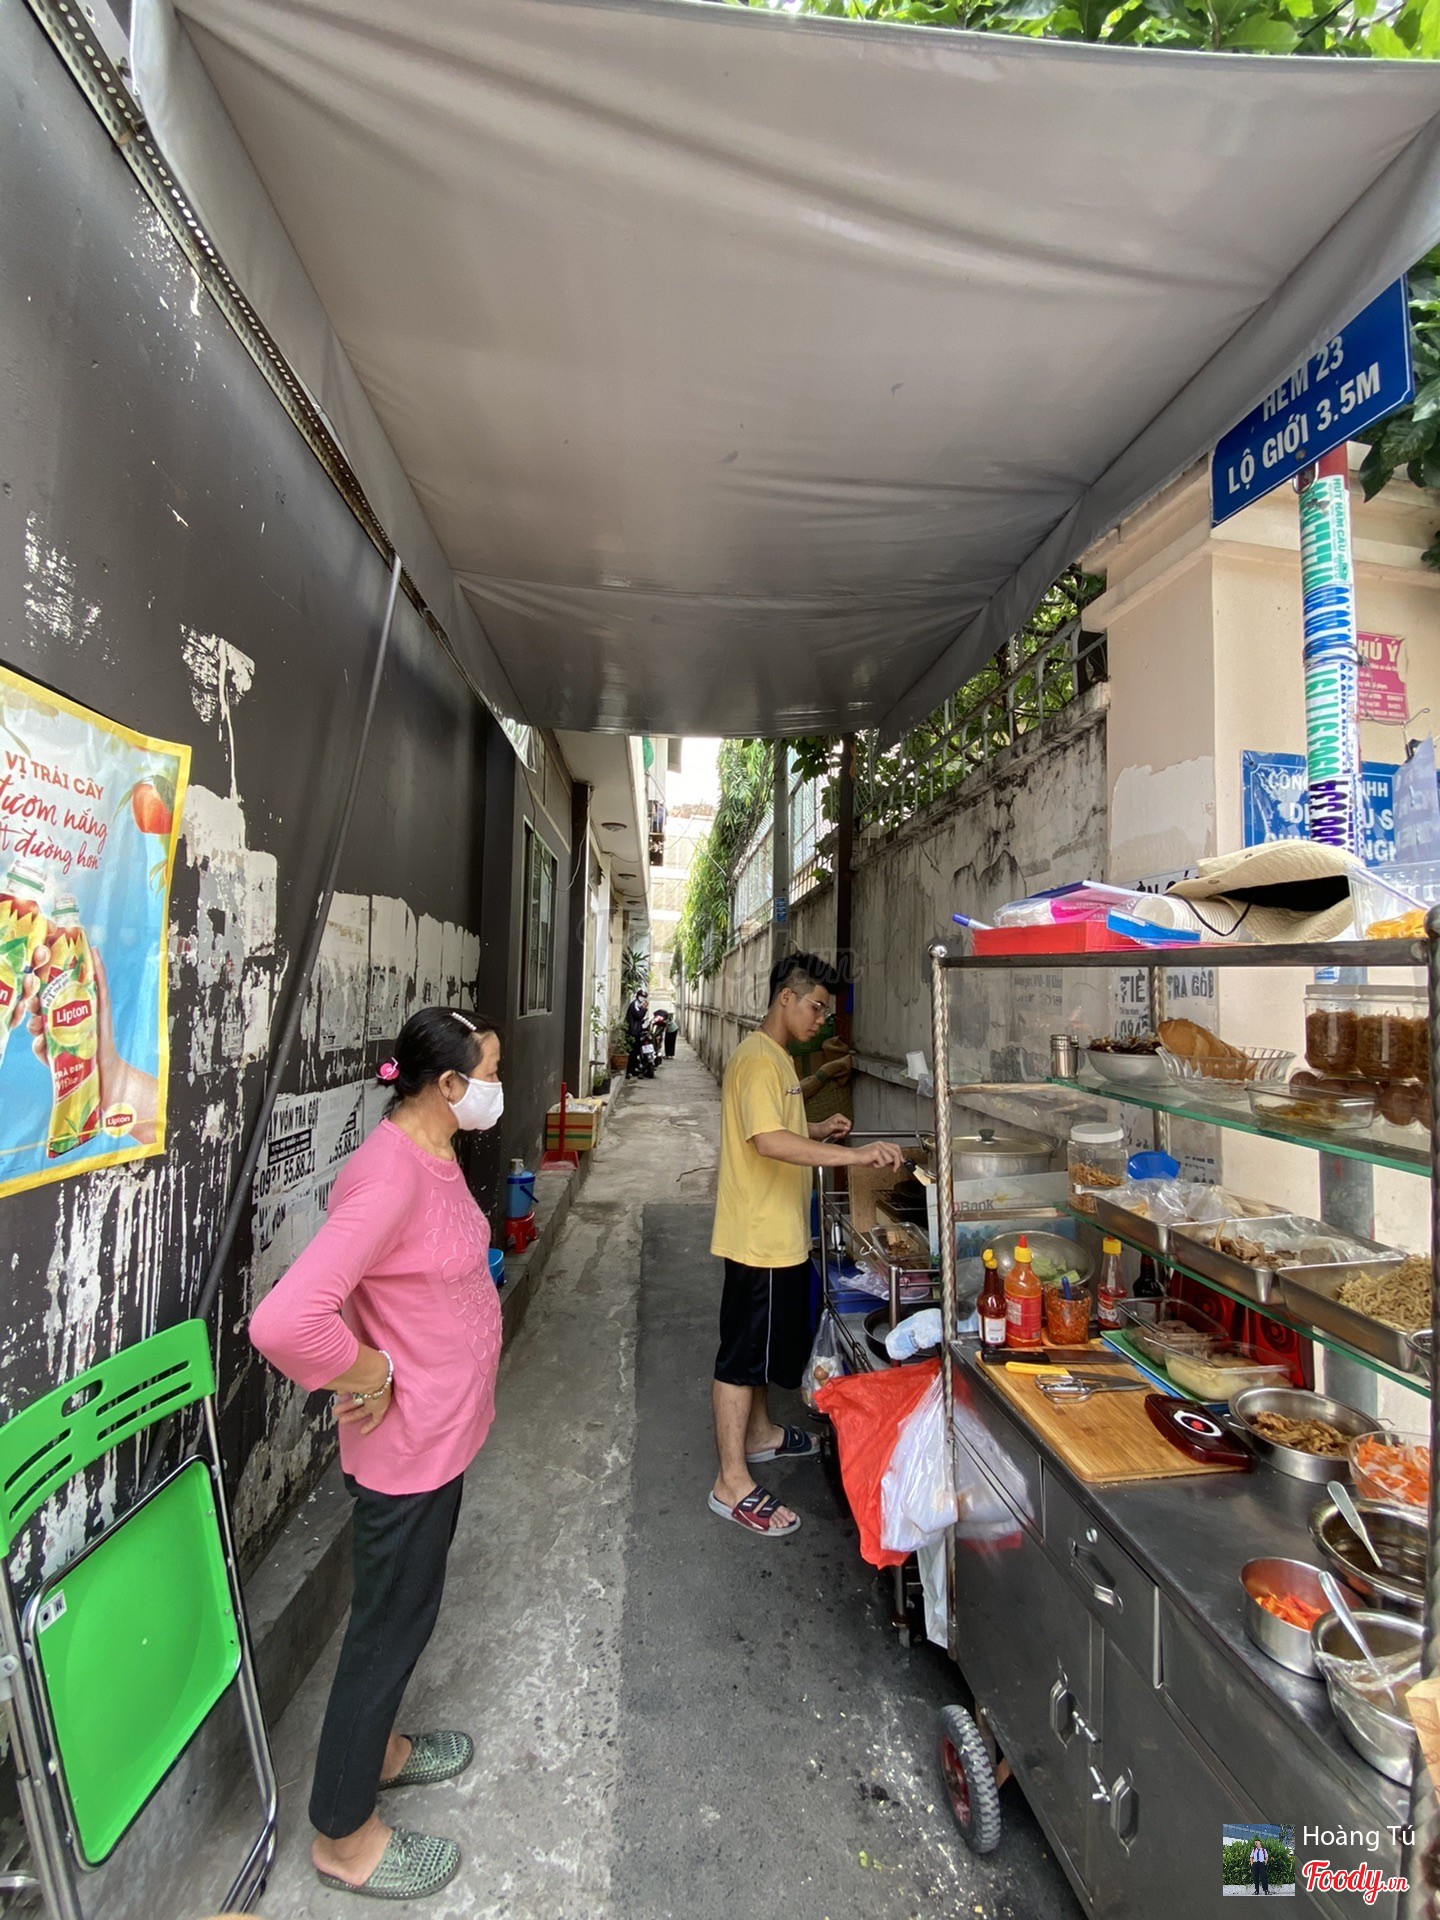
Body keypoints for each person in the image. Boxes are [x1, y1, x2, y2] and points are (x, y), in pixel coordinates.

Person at [249, 1007, 505, 1903]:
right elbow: (284, 1321)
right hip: (407, 1450)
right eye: (488, 1073)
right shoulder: (389, 1175)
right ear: (447, 1085)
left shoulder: (433, 1153)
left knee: (405, 1617)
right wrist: (373, 1369)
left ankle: (382, 1751)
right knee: (385, 1631)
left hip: (439, 1437)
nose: (496, 1090)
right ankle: (344, 1836)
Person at [708, 951, 905, 1537]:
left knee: (761, 1350)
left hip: (777, 1235)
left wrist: (817, 1130)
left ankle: (761, 1434)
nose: (821, 1020)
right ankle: (730, 1482)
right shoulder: (757, 1061)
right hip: (759, 1239)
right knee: (740, 1357)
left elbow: (779, 1129)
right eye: (816, 1007)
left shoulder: (778, 1059)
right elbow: (767, 1142)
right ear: (785, 998)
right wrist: (854, 1157)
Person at [624, 987, 649, 1078]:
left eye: (644, 997)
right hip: (632, 1032)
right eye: (641, 996)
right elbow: (638, 1016)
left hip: (637, 1032)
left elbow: (639, 1019)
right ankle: (629, 1071)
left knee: (636, 1052)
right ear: (638, 996)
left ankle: (633, 1069)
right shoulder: (634, 1004)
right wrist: (644, 1009)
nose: (643, 998)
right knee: (632, 1052)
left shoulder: (638, 1004)